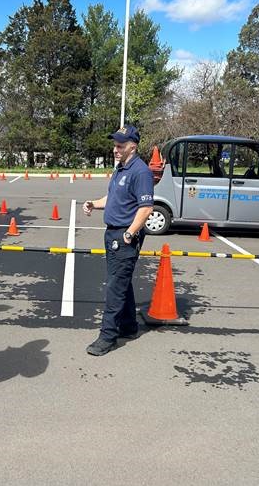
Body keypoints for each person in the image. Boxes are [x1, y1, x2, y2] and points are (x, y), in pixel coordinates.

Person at [83, 125, 154, 356]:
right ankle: (129, 326)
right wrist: (94, 204)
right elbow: (112, 197)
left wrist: (129, 233)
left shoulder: (140, 172)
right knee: (120, 281)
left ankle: (107, 337)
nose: (115, 149)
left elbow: (146, 208)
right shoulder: (121, 169)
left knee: (114, 287)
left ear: (132, 147)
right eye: (114, 145)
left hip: (124, 236)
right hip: (112, 233)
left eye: (120, 145)